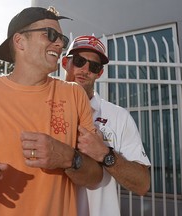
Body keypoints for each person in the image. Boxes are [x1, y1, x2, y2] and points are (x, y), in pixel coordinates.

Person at [0, 6, 103, 216]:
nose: (59, 44)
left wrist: (68, 157)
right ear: (20, 41)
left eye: (62, 40)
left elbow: (95, 176)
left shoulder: (74, 95)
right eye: (50, 35)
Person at [62, 35, 151, 216]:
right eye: (79, 61)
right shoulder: (40, 107)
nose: (85, 70)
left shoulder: (118, 116)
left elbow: (142, 184)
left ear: (99, 73)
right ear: (65, 62)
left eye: (94, 66)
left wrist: (105, 154)